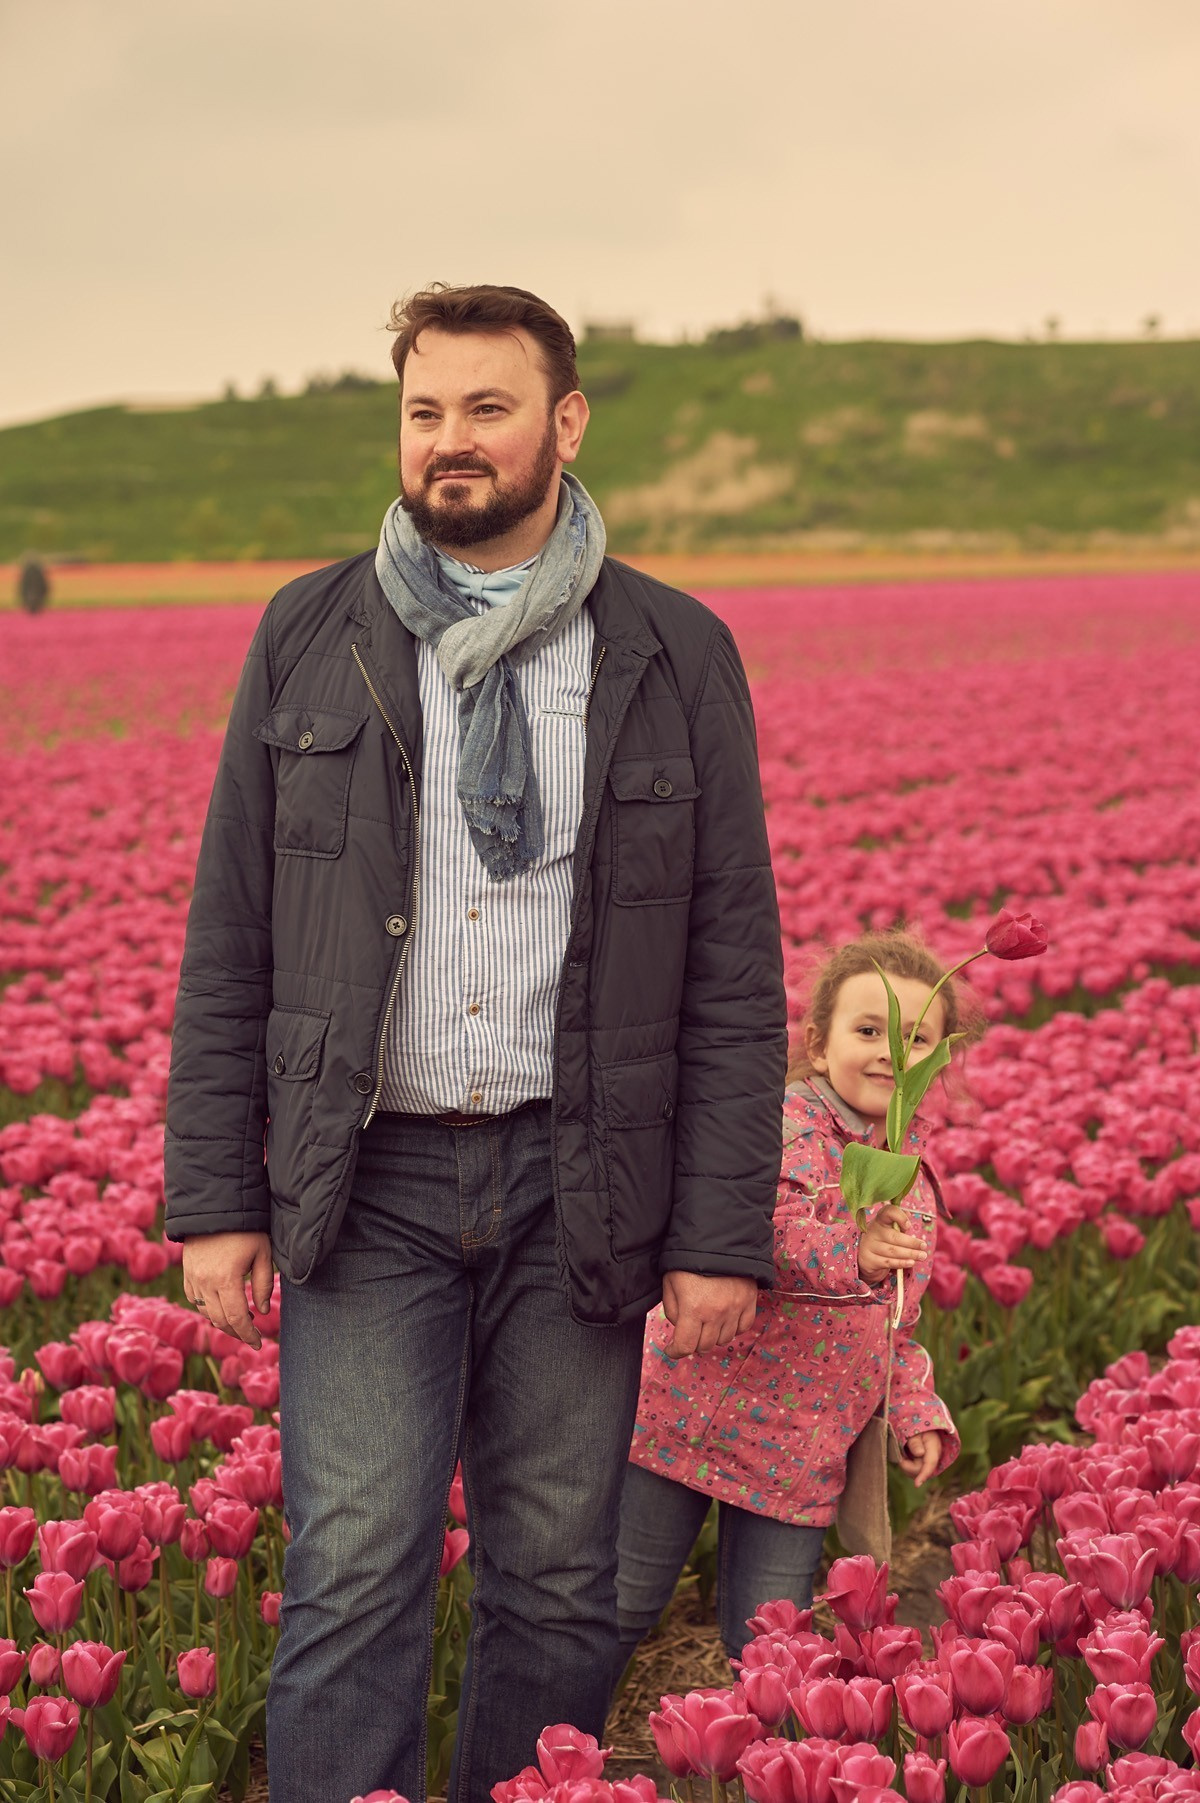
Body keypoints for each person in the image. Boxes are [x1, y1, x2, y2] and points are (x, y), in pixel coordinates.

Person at [162, 283, 787, 1803]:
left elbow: (731, 960)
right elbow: (231, 929)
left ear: (565, 423)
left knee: (562, 1575)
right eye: (425, 410)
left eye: (487, 408)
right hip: (365, 1178)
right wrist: (214, 1199)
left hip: (582, 1174)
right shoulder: (313, 632)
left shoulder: (671, 650)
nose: (450, 442)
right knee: (356, 1568)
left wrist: (719, 1232)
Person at [612, 931, 965, 1671]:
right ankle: (553, 1757)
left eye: (916, 1038)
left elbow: (892, 1320)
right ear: (817, 1039)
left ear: (940, 1058)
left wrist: (915, 1408)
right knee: (621, 1601)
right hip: (694, 1414)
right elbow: (757, 1237)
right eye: (869, 1031)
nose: (891, 1054)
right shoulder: (779, 1128)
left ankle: (766, 1769)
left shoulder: (913, 1177)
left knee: (771, 1641)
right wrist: (854, 1249)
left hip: (803, 1456)